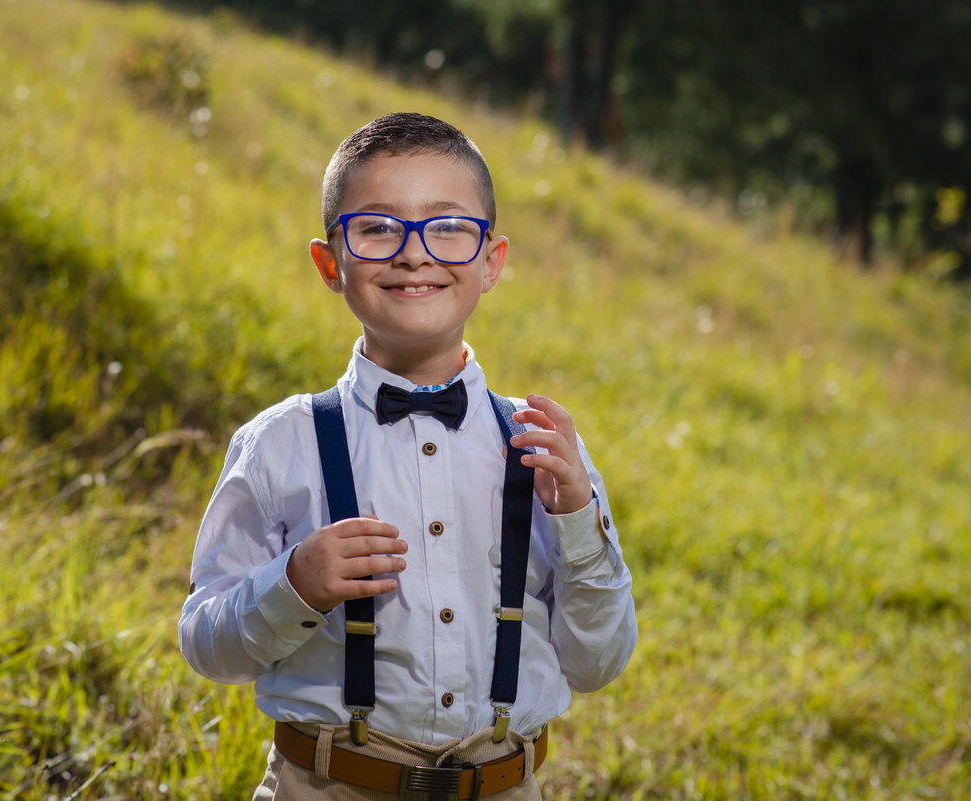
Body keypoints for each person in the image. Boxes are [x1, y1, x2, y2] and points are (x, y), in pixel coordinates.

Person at [179, 112, 637, 800]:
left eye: (448, 226)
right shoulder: (280, 444)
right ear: (330, 264)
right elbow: (206, 642)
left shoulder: (544, 450)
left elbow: (597, 662)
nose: (415, 252)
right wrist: (292, 583)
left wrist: (579, 520)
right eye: (377, 227)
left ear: (491, 263)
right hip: (325, 784)